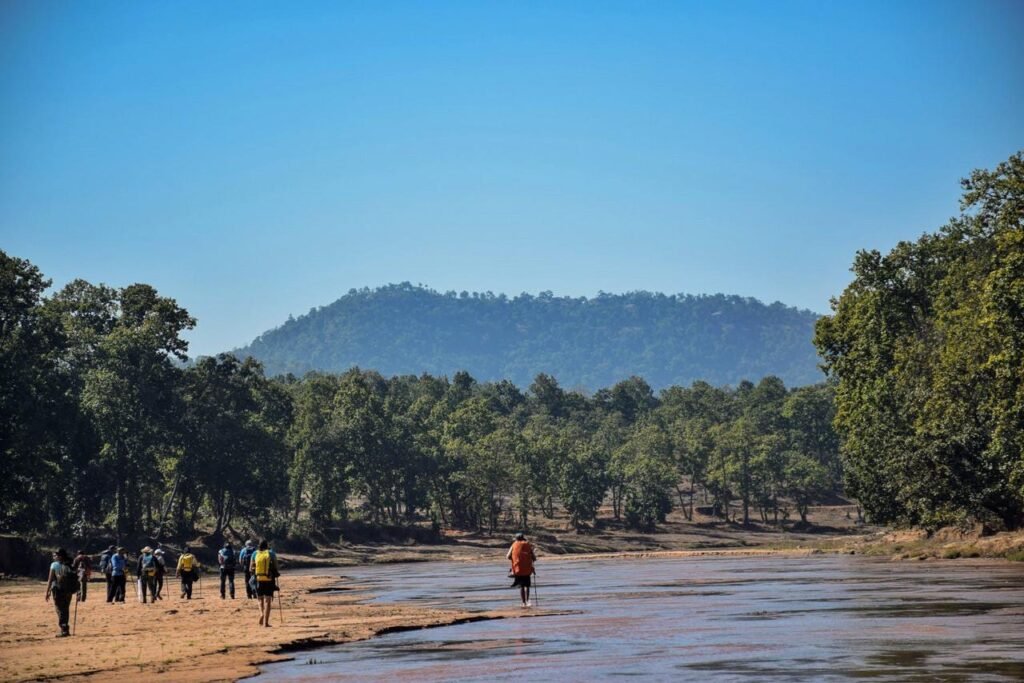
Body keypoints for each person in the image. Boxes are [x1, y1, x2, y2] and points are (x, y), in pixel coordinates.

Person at [45, 548, 78, 637]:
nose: (54, 557)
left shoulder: (54, 565)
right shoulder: (70, 564)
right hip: (68, 590)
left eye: (55, 555)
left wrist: (47, 591)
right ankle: (65, 628)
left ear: (60, 556)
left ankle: (64, 629)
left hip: (57, 590)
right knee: (65, 609)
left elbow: (50, 579)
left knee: (59, 609)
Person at [250, 539, 279, 627]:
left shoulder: (255, 553)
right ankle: (266, 623)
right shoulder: (271, 553)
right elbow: (276, 567)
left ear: (259, 546)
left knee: (260, 599)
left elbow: (250, 569)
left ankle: (261, 614)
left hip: (258, 579)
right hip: (269, 580)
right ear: (267, 546)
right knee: (268, 601)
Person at [506, 532, 536, 607]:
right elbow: (534, 558)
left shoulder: (514, 544)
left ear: (516, 538)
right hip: (527, 569)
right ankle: (528, 601)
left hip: (518, 569)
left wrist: (514, 559)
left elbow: (507, 556)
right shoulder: (527, 544)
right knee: (527, 586)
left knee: (521, 586)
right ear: (523, 537)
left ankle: (523, 603)